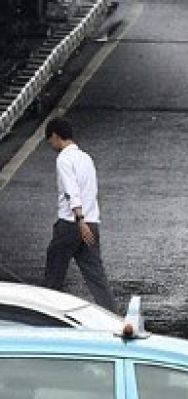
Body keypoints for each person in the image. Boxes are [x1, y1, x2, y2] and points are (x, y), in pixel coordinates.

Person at [43, 118, 116, 312]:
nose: (51, 145)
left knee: (54, 273)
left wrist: (79, 220)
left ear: (56, 136)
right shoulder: (86, 158)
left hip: (71, 224)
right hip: (92, 223)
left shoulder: (64, 159)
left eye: (50, 141)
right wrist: (88, 222)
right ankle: (114, 317)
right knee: (96, 276)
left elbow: (71, 190)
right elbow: (91, 191)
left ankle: (45, 317)